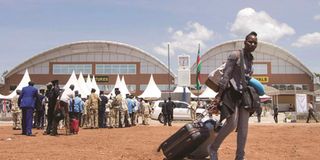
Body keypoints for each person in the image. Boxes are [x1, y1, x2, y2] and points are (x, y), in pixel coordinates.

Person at [208, 31, 258, 160]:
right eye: (250, 41)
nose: (252, 44)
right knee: (231, 124)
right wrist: (219, 96)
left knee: (244, 128)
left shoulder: (250, 59)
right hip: (231, 93)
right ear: (245, 42)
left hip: (243, 95)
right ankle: (213, 148)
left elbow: (247, 78)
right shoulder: (235, 55)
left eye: (255, 43)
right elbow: (226, 75)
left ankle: (240, 156)